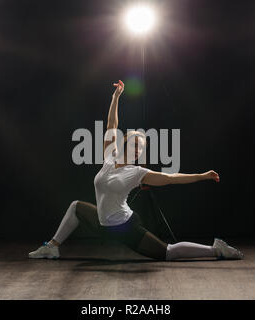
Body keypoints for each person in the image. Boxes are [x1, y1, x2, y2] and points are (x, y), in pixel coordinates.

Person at [29, 80, 244, 261]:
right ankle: (52, 246)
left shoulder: (137, 172)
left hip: (123, 227)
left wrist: (201, 176)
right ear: (124, 144)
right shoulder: (109, 156)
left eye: (140, 148)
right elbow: (111, 124)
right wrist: (116, 97)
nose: (137, 150)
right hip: (103, 223)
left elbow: (170, 178)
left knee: (166, 252)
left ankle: (216, 249)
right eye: (134, 144)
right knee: (76, 206)